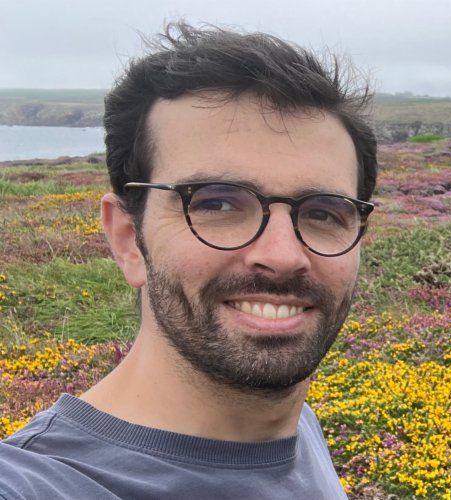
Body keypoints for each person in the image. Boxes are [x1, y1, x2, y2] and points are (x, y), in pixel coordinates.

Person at [0, 22, 377, 499]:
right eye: (216, 203)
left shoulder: (295, 426)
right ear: (128, 238)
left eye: (323, 212)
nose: (283, 255)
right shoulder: (36, 485)